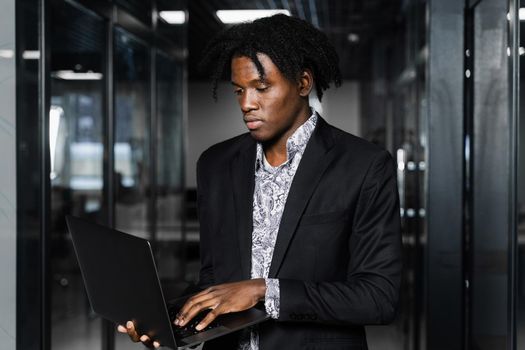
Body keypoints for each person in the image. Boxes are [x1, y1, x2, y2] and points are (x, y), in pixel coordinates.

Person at [119, 14, 402, 350]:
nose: (246, 104)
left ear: (303, 83)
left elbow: (379, 297)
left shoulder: (364, 166)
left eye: (261, 88)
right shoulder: (214, 164)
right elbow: (214, 280)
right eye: (239, 90)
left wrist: (264, 289)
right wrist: (172, 321)